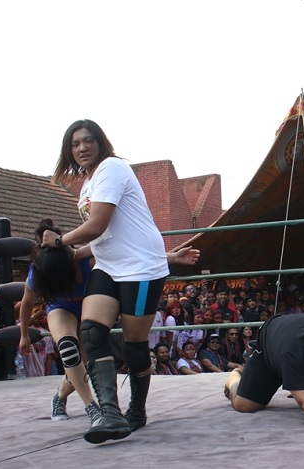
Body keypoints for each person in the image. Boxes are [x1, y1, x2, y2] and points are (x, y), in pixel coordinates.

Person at [43, 119, 200, 444]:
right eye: (75, 143)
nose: (82, 147)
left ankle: (137, 411)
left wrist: (59, 241)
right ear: (69, 150)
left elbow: (98, 225)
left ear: (100, 142)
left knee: (134, 347)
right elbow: (107, 235)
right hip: (108, 266)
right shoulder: (88, 184)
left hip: (141, 269)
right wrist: (76, 253)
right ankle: (110, 414)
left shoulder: (111, 168)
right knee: (91, 332)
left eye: (88, 140)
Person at [19, 219, 102, 425]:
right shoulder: (38, 271)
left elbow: (116, 246)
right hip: (61, 308)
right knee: (68, 349)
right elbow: (26, 303)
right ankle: (92, 408)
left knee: (85, 364)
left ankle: (60, 396)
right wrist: (24, 334)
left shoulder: (88, 261)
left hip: (89, 305)